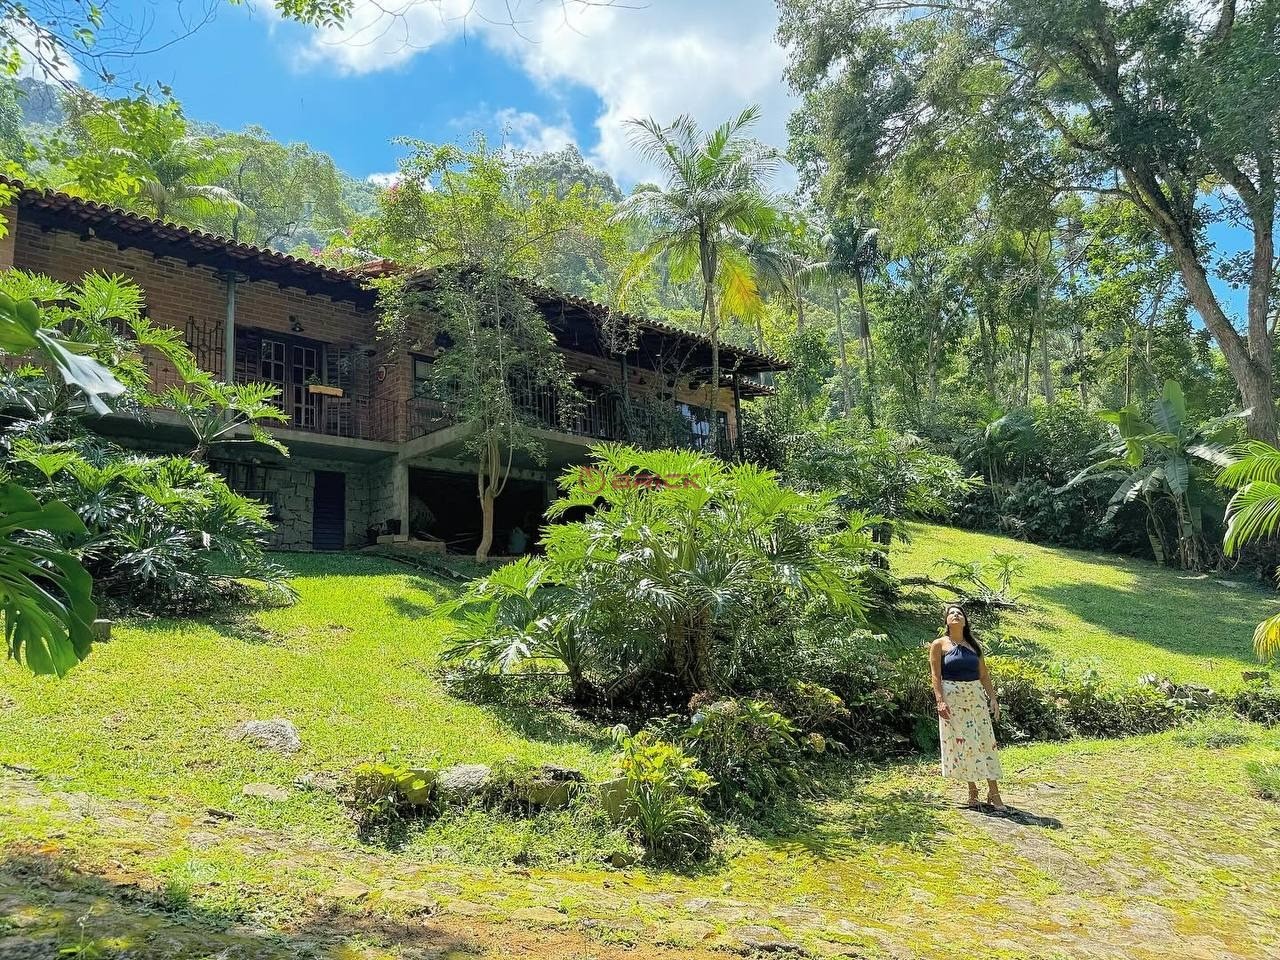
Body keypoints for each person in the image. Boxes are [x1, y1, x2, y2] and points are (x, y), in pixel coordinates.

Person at [929, 604, 1005, 811]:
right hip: (953, 700)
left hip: (975, 699)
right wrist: (940, 701)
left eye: (959, 613)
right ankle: (972, 789)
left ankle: (994, 792)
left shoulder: (973, 645)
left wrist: (993, 698)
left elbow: (984, 674)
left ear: (965, 620)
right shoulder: (939, 644)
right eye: (951, 613)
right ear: (946, 620)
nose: (956, 615)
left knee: (985, 741)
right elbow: (936, 676)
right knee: (965, 745)